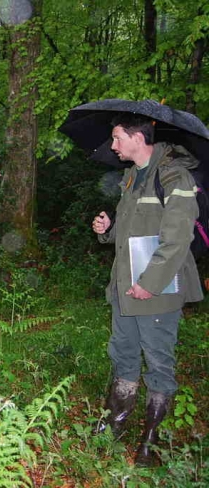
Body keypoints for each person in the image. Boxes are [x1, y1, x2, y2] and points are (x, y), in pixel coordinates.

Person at [92, 114, 204, 467]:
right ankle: (116, 423)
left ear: (138, 138)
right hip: (125, 286)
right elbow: (129, 235)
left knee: (158, 362)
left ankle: (151, 443)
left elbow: (177, 238)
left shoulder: (174, 175)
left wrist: (149, 284)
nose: (112, 145)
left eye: (116, 137)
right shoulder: (131, 178)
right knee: (122, 354)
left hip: (158, 289)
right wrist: (107, 230)